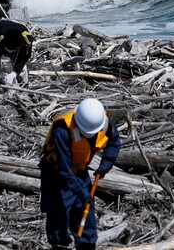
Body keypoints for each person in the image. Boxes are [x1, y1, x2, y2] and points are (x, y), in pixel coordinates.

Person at [39, 98, 122, 250]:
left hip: (80, 172)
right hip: (56, 175)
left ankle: (86, 244)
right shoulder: (63, 130)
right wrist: (83, 194)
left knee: (86, 213)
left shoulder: (104, 123)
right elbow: (65, 171)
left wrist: (104, 166)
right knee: (59, 216)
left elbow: (114, 142)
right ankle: (59, 245)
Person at [0, 20, 34, 86]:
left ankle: (23, 85)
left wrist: (14, 73)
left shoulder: (27, 39)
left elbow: (24, 58)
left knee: (23, 68)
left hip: (12, 40)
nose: (9, 53)